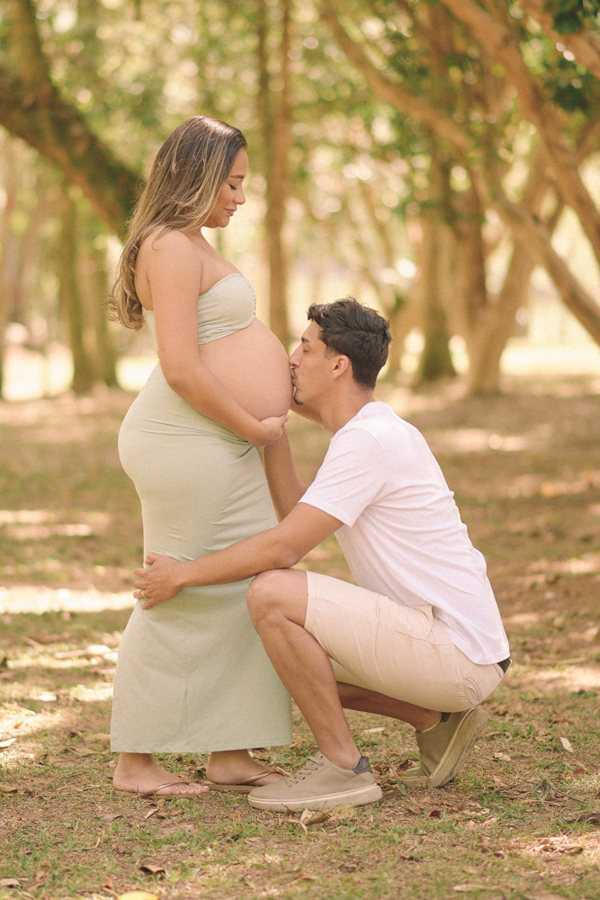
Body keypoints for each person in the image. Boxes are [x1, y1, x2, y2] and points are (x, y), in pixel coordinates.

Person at [133, 298, 511, 811]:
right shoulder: (369, 431)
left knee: (272, 594)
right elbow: (296, 514)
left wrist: (183, 575)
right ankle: (436, 720)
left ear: (338, 366)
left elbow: (286, 546)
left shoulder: (369, 441)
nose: (291, 359)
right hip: (457, 651)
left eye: (305, 349)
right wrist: (270, 429)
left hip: (456, 652)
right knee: (277, 657)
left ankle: (342, 769)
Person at [108, 115, 293, 798]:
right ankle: (135, 760)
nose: (241, 198)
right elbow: (182, 368)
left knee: (246, 584)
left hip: (219, 440)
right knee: (174, 588)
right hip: (185, 440)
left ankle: (230, 751)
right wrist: (255, 427)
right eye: (232, 183)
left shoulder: (190, 241)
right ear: (197, 175)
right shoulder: (168, 246)